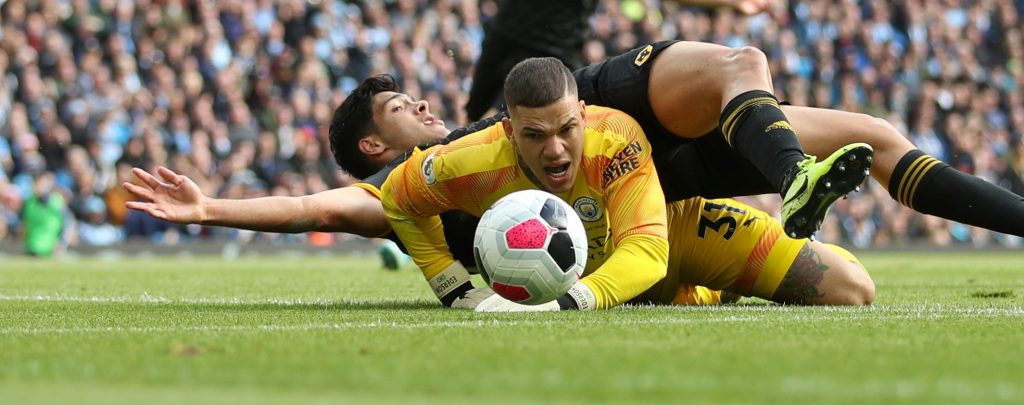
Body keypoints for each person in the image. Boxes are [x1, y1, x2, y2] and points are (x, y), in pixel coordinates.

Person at [380, 57, 871, 311]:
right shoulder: (466, 163)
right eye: (534, 135)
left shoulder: (615, 137)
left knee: (851, 289)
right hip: (618, 279)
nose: (555, 149)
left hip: (675, 235)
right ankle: (696, 295)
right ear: (509, 132)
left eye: (567, 129)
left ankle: (714, 285)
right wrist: (452, 287)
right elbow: (397, 199)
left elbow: (647, 251)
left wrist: (565, 305)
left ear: (583, 115)